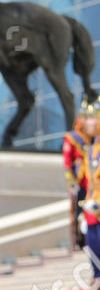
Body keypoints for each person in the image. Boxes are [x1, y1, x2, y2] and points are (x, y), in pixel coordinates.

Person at [67, 103, 100, 290]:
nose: (86, 122)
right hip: (92, 214)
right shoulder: (90, 148)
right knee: (95, 261)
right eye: (86, 118)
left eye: (91, 118)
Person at [61, 101, 98, 254]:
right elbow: (67, 163)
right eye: (84, 118)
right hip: (79, 182)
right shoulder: (72, 138)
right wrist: (71, 183)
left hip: (91, 183)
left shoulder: (93, 138)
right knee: (76, 212)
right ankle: (76, 241)